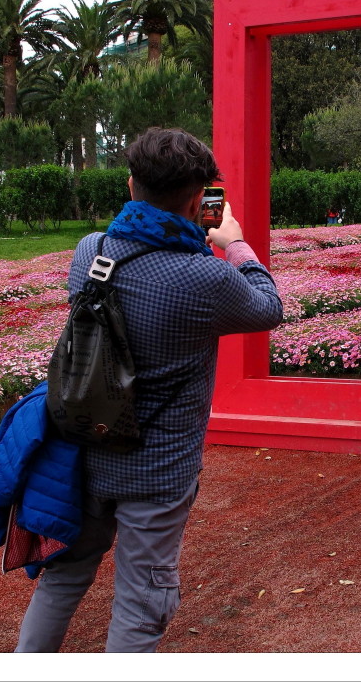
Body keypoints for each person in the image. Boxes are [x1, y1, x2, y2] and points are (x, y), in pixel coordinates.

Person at [14, 127, 283, 652]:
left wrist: (170, 220)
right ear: (197, 197)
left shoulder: (91, 251)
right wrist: (233, 243)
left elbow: (138, 257)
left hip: (84, 455)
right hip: (157, 473)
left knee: (64, 577)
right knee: (141, 604)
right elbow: (267, 305)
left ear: (132, 185)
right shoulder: (206, 279)